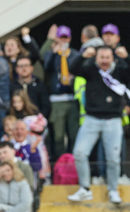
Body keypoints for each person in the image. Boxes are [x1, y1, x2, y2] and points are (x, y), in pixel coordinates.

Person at [67, 46, 130, 204]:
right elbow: (72, 68)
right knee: (79, 152)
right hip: (91, 119)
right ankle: (84, 189)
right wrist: (82, 56)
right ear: (96, 58)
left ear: (113, 58)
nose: (105, 61)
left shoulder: (120, 70)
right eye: (102, 58)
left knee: (113, 158)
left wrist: (127, 57)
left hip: (113, 120)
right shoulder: (91, 70)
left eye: (108, 57)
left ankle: (113, 190)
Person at [43, 25, 80, 162]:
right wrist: (54, 53)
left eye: (65, 37)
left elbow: (81, 72)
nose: (63, 40)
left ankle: (73, 164)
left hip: (71, 98)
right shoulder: (50, 54)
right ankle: (60, 165)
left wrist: (73, 78)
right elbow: (46, 68)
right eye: (60, 37)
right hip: (56, 99)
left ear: (69, 38)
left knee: (73, 134)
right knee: (58, 136)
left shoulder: (75, 55)